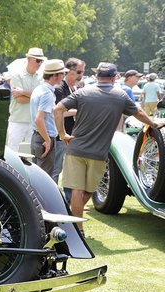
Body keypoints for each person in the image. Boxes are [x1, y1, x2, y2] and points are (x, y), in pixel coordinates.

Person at [54, 62, 165, 235]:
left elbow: (58, 108)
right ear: (114, 78)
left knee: (78, 189)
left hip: (75, 148)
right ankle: (78, 228)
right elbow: (139, 113)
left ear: (97, 76)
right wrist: (153, 123)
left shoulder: (83, 92)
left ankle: (73, 222)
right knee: (89, 190)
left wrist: (62, 134)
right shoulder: (120, 95)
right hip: (98, 152)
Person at [29, 59, 69, 175]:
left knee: (37, 177)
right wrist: (47, 140)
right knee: (44, 178)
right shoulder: (47, 94)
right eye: (62, 73)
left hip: (37, 137)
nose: (63, 76)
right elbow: (39, 119)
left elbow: (53, 113)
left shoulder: (39, 89)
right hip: (44, 138)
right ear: (55, 76)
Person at [53, 58, 85, 190]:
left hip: (72, 135)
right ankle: (51, 201)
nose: (81, 74)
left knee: (70, 171)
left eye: (82, 71)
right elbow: (57, 112)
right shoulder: (59, 89)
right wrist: (79, 110)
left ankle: (67, 199)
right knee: (56, 170)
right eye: (79, 71)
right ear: (70, 72)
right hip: (60, 136)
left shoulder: (74, 88)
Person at [6, 47, 46, 152]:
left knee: (32, 153)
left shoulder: (41, 78)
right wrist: (35, 96)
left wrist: (23, 92)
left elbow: (42, 98)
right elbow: (19, 100)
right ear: (28, 59)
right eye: (37, 60)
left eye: (41, 61)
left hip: (34, 122)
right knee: (12, 152)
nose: (40, 63)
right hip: (17, 120)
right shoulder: (17, 75)